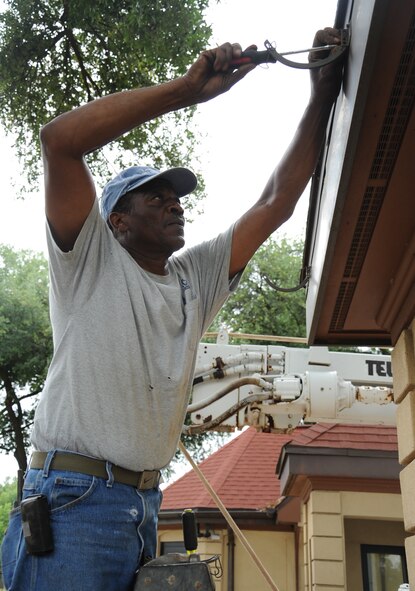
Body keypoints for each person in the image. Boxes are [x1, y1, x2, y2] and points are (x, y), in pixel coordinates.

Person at [1, 28, 344, 591]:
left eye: (176, 195)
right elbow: (58, 139)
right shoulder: (88, 261)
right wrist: (188, 91)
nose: (173, 203)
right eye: (153, 196)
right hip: (71, 505)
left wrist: (321, 91)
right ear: (117, 222)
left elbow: (276, 200)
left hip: (143, 505)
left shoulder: (193, 279)